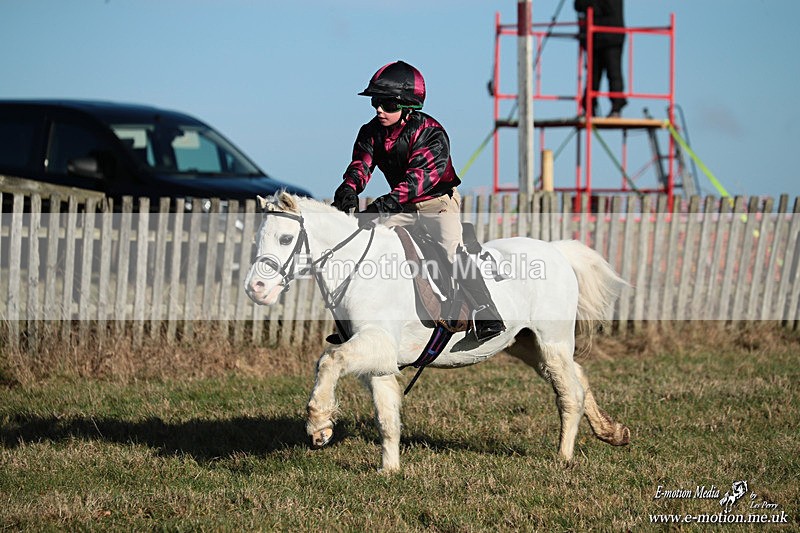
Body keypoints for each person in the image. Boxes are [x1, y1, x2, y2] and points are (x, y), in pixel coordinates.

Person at [332, 60, 505, 341]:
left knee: (451, 252)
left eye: (388, 105)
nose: (379, 109)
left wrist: (385, 204)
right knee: (365, 241)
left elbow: (418, 181)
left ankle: (487, 313)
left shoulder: (431, 132)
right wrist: (349, 188)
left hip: (436, 203)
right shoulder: (370, 131)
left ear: (408, 108)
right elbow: (361, 164)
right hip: (401, 205)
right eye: (376, 102)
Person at [575, 0, 627, 117]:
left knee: (613, 73)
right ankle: (589, 106)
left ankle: (616, 107)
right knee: (593, 76)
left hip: (611, 36)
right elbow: (579, 5)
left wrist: (589, 5)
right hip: (595, 37)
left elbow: (604, 7)